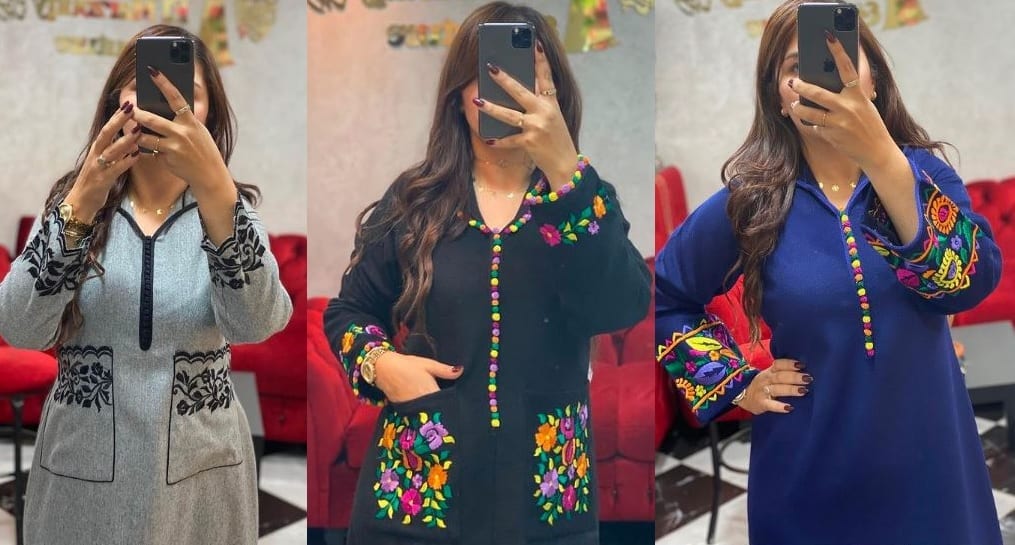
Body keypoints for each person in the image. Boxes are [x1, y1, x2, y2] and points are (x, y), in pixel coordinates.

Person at [655, 1, 1003, 543]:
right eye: (798, 68)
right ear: (778, 94)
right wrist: (735, 383)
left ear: (873, 80)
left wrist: (883, 160)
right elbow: (664, 297)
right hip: (808, 475)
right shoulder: (753, 202)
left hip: (932, 470)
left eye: (844, 63)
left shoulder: (923, 174)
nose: (825, 81)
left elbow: (971, 284)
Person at [323, 3, 650, 544]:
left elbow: (621, 306)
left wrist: (565, 171)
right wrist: (383, 365)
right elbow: (349, 311)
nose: (504, 91)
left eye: (522, 77)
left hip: (547, 501)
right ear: (458, 94)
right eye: (487, 74)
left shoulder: (582, 201)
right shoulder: (414, 201)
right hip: (418, 491)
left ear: (553, 93)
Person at [0, 25, 292, 544]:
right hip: (80, 472)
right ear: (117, 103)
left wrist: (215, 189)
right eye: (143, 86)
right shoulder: (74, 206)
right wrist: (84, 196)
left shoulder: (230, 211)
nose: (164, 101)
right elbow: (19, 327)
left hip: (202, 477)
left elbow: (256, 323)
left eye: (186, 91)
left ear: (209, 115)